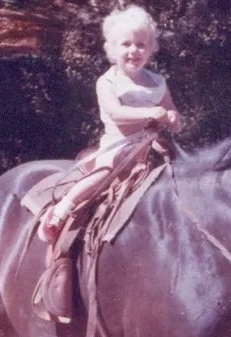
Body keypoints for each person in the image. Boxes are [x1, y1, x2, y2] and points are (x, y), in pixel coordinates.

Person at [38, 3, 182, 244]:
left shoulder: (158, 82)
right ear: (112, 49)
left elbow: (173, 113)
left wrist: (173, 118)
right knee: (103, 172)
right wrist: (151, 112)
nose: (133, 50)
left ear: (150, 49)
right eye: (126, 44)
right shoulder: (108, 82)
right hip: (117, 145)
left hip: (149, 149)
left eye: (140, 44)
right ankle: (61, 210)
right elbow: (115, 113)